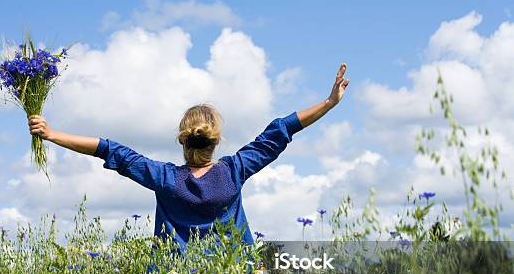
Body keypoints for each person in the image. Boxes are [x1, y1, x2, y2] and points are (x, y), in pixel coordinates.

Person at [28, 63, 349, 249]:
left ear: (182, 139)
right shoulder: (234, 171)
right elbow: (280, 130)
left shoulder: (165, 179)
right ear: (217, 140)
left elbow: (109, 150)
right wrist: (329, 103)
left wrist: (53, 135)